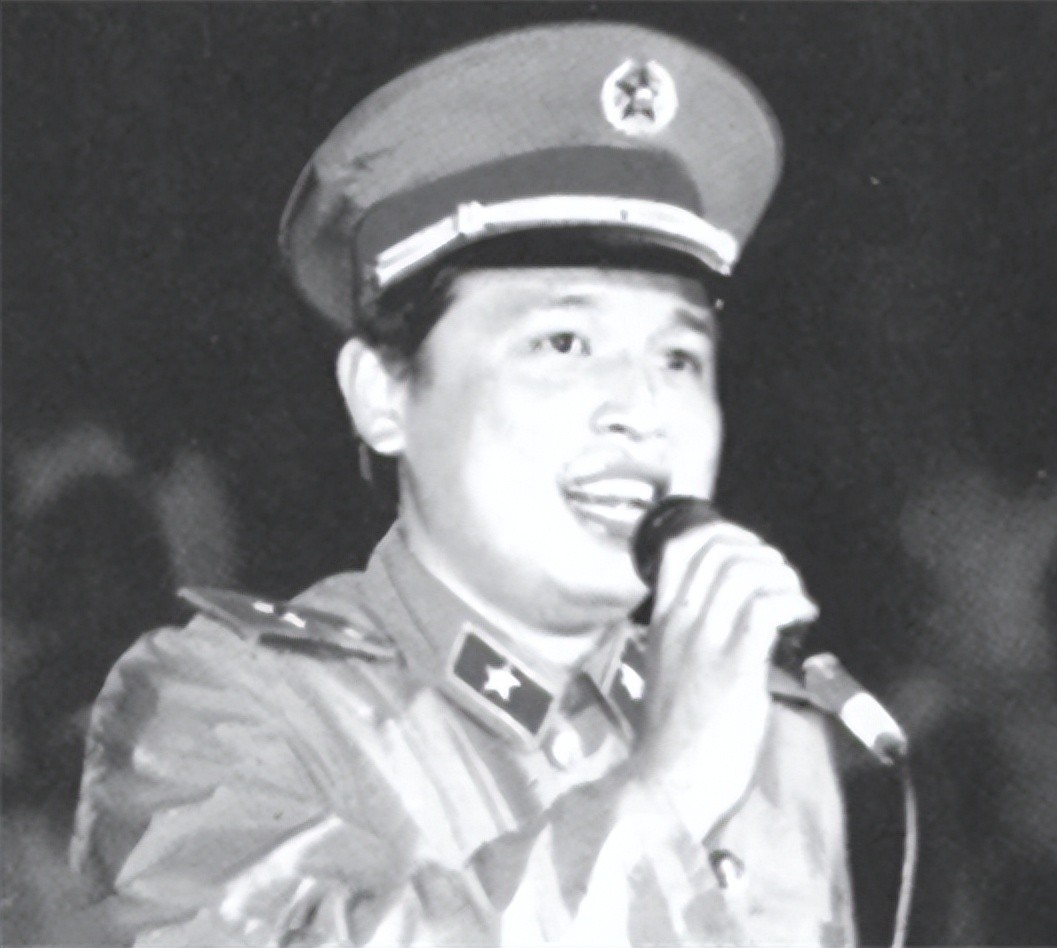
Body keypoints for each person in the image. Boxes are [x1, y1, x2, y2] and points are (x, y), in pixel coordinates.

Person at [71, 22, 855, 945]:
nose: (642, 411)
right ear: (383, 396)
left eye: (679, 357)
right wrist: (665, 799)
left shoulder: (768, 736)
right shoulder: (221, 706)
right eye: (564, 342)